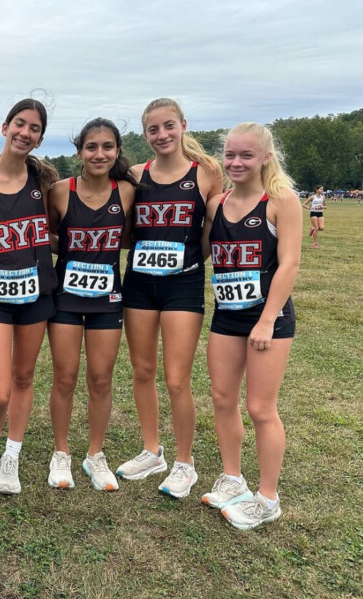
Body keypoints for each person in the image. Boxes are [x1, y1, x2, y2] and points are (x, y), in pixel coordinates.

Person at [116, 98, 223, 499]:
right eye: (153, 130)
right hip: (139, 285)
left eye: (168, 126)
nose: (161, 135)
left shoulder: (207, 172)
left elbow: (214, 231)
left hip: (183, 285)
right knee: (142, 371)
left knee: (177, 379)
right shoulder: (135, 175)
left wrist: (190, 263)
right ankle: (151, 450)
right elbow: (123, 227)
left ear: (182, 125)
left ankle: (184, 462)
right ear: (145, 135)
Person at [201, 122, 301, 530]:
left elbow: (290, 262)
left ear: (265, 157)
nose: (237, 162)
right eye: (231, 155)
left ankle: (267, 498)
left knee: (261, 408)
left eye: (246, 155)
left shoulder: (281, 201)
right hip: (226, 316)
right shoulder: (217, 204)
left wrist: (265, 320)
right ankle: (231, 478)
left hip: (268, 320)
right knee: (223, 398)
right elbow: (206, 250)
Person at [0, 98, 58, 494]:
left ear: (39, 139)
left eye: (34, 128)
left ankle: (12, 455)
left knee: (23, 376)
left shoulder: (45, 184)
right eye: (20, 124)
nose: (25, 132)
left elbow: (55, 233)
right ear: (5, 128)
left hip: (37, 294)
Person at [46, 118, 137, 491]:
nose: (99, 154)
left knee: (101, 378)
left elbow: (129, 238)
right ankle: (61, 453)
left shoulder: (128, 192)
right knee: (64, 377)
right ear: (79, 151)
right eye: (91, 147)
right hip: (65, 297)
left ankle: (95, 455)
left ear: (116, 150)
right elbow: (48, 237)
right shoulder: (58, 191)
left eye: (107, 147)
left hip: (108, 299)